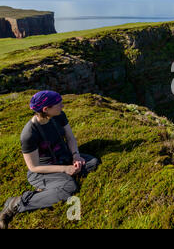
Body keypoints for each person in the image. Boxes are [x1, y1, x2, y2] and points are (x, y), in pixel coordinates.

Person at [0, 90, 100, 229]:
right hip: (43, 171)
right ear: (46, 109)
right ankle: (17, 203)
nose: (62, 106)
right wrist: (66, 169)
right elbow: (33, 167)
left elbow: (70, 137)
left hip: (64, 158)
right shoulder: (29, 134)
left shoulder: (58, 116)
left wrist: (76, 155)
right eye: (59, 105)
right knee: (69, 188)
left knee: (92, 163)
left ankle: (54, 186)